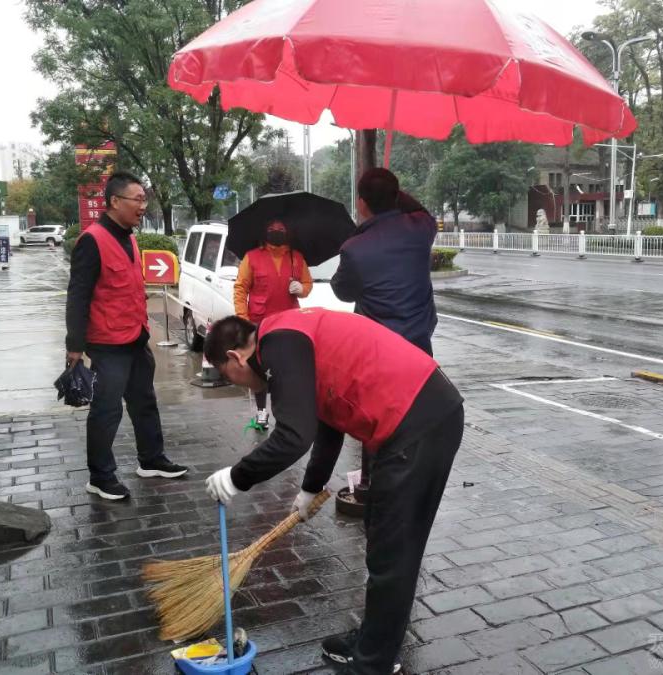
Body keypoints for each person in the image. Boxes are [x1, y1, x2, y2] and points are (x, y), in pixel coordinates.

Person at [203, 308, 464, 675]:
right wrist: (311, 487)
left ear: (235, 356)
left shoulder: (278, 343)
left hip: (420, 422)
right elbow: (327, 420)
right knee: (381, 538)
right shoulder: (285, 335)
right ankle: (374, 641)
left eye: (227, 375)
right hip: (409, 421)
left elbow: (294, 436)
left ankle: (374, 664)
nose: (237, 384)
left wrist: (237, 477)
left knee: (394, 555)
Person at [65, 171, 188, 500]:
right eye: (138, 199)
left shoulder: (130, 237)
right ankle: (100, 476)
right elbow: (77, 296)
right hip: (107, 344)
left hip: (135, 337)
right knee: (107, 410)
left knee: (144, 402)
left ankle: (151, 460)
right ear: (115, 201)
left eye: (144, 199)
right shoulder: (92, 240)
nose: (142, 206)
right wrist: (74, 347)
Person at [331, 168, 438, 355]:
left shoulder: (354, 249)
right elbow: (420, 209)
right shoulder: (421, 228)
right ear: (397, 197)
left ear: (362, 204)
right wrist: (393, 194)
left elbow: (343, 292)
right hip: (420, 346)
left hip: (378, 351)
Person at [233, 219, 313, 429]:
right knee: (259, 369)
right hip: (259, 322)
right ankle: (261, 412)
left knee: (287, 370)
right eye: (272, 230)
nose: (276, 233)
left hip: (290, 323)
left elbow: (307, 284)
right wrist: (243, 318)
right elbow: (240, 288)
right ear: (264, 232)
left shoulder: (297, 257)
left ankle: (285, 413)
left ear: (288, 233)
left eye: (281, 230)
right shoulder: (252, 257)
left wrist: (301, 289)